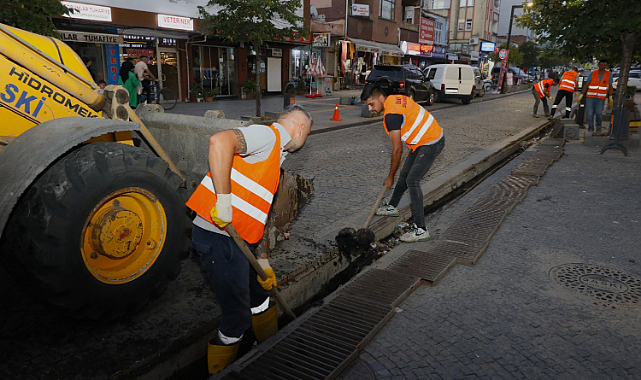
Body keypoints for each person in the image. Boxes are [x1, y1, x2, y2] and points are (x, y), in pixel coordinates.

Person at [186, 104, 313, 375]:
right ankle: (221, 372)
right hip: (218, 238)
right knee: (237, 318)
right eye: (307, 134)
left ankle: (270, 350)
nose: (305, 140)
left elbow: (260, 212)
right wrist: (223, 200)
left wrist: (263, 260)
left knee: (261, 297)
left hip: (242, 241)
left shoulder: (275, 157)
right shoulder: (268, 136)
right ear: (301, 128)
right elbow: (219, 141)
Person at [361, 84, 445, 243]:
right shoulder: (394, 99)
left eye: (371, 104)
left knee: (412, 180)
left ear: (380, 98)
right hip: (420, 141)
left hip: (432, 141)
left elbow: (397, 150)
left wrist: (390, 176)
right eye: (368, 106)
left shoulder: (391, 115)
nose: (370, 109)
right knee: (405, 175)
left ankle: (421, 229)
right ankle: (392, 207)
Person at [577, 59, 613, 133]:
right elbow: (587, 84)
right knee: (590, 114)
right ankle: (591, 128)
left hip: (601, 98)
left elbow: (610, 86)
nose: (603, 67)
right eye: (601, 65)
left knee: (598, 113)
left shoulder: (609, 74)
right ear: (598, 65)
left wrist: (610, 97)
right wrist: (581, 95)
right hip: (590, 97)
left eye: (604, 65)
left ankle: (598, 126)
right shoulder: (593, 73)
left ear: (606, 66)